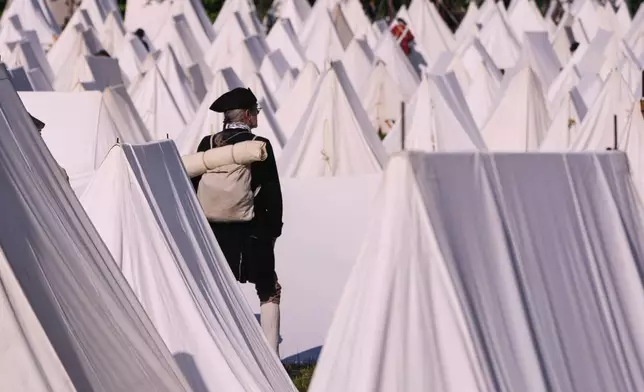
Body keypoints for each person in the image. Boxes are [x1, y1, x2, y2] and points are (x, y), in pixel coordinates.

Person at [191, 87, 284, 355]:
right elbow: (270, 191)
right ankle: (271, 358)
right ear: (247, 115)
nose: (257, 115)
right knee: (269, 288)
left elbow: (193, 186)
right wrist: (272, 232)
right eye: (255, 111)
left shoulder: (206, 145)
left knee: (215, 289)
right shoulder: (259, 145)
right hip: (252, 232)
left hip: (213, 233)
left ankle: (217, 353)